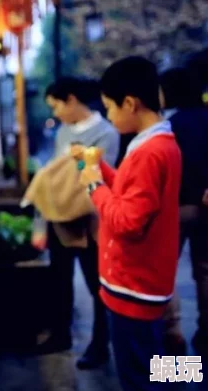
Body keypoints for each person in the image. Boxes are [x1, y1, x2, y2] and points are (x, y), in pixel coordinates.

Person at [77, 56, 181, 391]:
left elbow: (127, 221)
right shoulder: (156, 142)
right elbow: (131, 192)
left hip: (134, 287)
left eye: (109, 108)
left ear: (130, 103)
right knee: (154, 363)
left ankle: (193, 375)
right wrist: (101, 169)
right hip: (144, 283)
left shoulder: (150, 152)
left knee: (139, 375)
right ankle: (188, 376)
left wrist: (94, 184)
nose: (108, 116)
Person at [36, 77, 119, 369]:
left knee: (97, 285)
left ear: (71, 100)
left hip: (90, 223)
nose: (55, 112)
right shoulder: (63, 133)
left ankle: (100, 345)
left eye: (57, 105)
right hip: (59, 219)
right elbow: (58, 176)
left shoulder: (106, 133)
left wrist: (77, 165)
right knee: (59, 280)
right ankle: (61, 334)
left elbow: (95, 173)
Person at [160, 67, 208, 357]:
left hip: (176, 208)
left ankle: (172, 334)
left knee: (166, 270)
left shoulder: (170, 126)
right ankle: (205, 332)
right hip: (206, 205)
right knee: (205, 270)